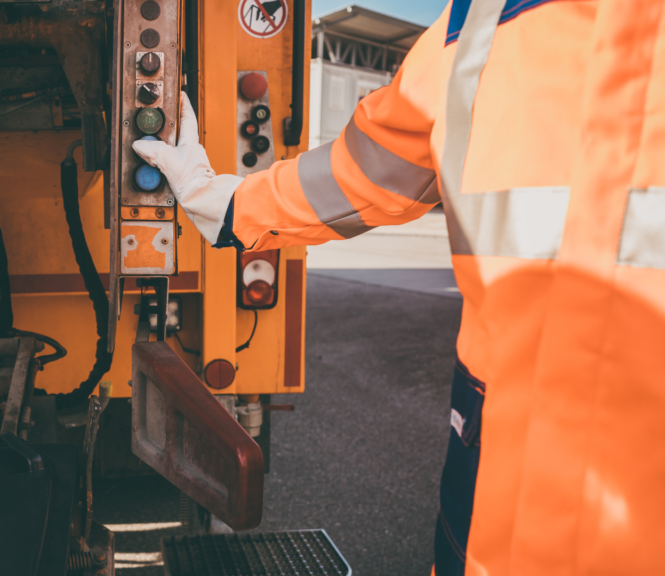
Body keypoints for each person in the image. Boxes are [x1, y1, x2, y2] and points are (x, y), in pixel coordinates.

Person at [133, 0, 665, 574]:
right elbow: (360, 170)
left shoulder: (483, 25)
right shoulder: (478, 25)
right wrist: (226, 203)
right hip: (491, 520)